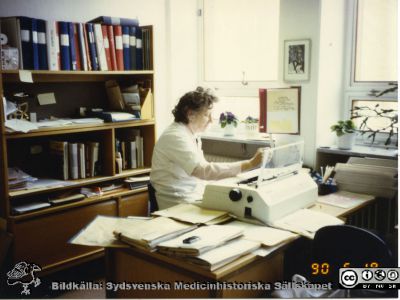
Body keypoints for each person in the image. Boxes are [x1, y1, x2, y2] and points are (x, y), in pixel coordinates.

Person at [150, 87, 263, 209]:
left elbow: (203, 172)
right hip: (179, 203)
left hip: (193, 195)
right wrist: (249, 164)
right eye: (206, 115)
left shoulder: (190, 134)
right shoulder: (175, 137)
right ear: (190, 114)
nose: (210, 120)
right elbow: (202, 171)